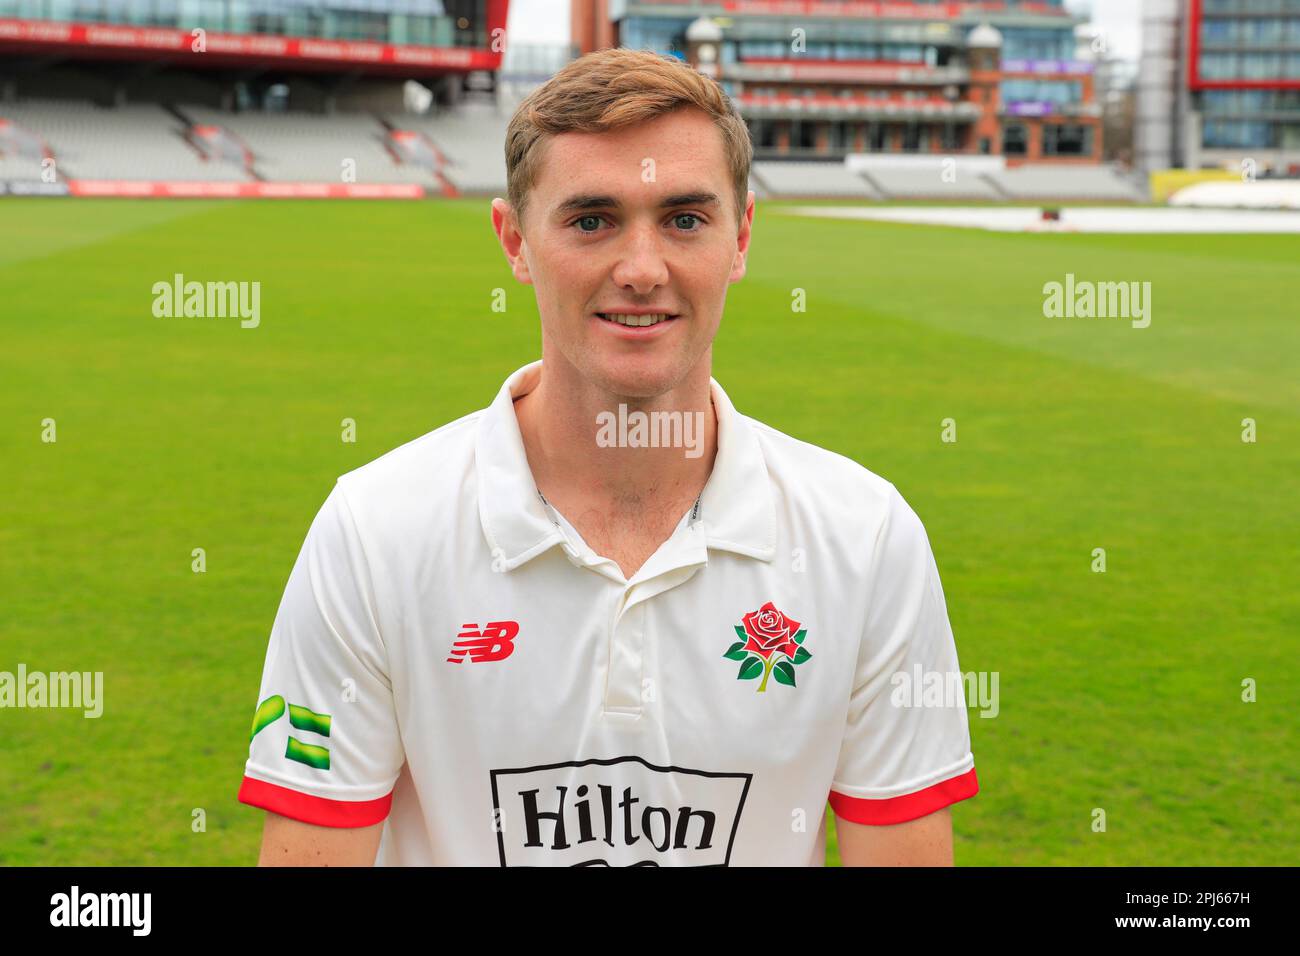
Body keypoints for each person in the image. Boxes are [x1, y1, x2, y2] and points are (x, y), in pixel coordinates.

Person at [238, 47, 977, 866]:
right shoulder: (374, 532)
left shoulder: (866, 538)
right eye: (591, 220)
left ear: (742, 239)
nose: (641, 270)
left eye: (685, 220)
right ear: (514, 241)